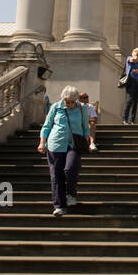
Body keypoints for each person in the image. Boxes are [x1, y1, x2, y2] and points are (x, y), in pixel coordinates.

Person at [39, 85, 89, 216]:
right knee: (56, 176)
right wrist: (42, 143)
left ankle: (71, 193)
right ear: (63, 99)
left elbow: (85, 127)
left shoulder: (82, 108)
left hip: (74, 145)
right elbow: (47, 126)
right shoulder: (56, 107)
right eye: (68, 102)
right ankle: (59, 206)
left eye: (73, 102)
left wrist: (87, 142)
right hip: (55, 144)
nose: (70, 104)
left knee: (70, 168)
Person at [122, 47, 138, 125]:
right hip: (131, 81)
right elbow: (131, 60)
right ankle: (125, 119)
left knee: (135, 101)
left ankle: (132, 120)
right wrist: (134, 54)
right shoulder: (129, 58)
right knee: (130, 100)